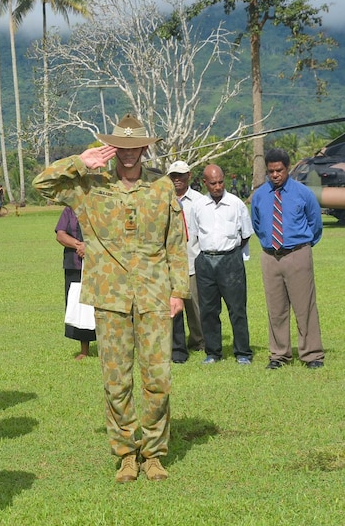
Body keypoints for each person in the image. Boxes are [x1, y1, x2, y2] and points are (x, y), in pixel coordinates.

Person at [32, 114, 188, 483]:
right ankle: (126, 455)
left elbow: (176, 243)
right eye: (122, 147)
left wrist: (179, 291)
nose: (129, 154)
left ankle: (153, 453)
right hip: (110, 297)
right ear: (112, 148)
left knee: (158, 380)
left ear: (145, 148)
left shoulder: (162, 187)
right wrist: (79, 162)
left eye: (136, 148)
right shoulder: (88, 186)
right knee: (117, 382)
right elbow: (42, 184)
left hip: (153, 295)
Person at [250, 148, 324, 370]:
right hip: (270, 257)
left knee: (305, 307)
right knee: (276, 308)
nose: (275, 175)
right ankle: (279, 355)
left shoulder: (302, 193)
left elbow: (315, 223)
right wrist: (270, 244)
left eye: (279, 170)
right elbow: (257, 224)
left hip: (297, 254)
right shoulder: (260, 195)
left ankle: (312, 355)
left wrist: (302, 246)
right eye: (271, 171)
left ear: (287, 169)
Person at [187, 164, 254, 365]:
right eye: (213, 183)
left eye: (221, 182)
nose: (218, 186)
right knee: (208, 310)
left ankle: (242, 352)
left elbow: (245, 235)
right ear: (205, 183)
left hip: (230, 260)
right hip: (206, 261)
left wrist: (229, 252)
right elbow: (195, 234)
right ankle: (213, 352)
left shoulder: (236, 204)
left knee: (237, 309)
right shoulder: (198, 206)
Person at [166, 160, 205, 363]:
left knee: (196, 306)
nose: (177, 179)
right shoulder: (163, 199)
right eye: (173, 176)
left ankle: (199, 340)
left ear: (189, 176)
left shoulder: (199, 201)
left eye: (181, 175)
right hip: (170, 264)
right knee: (174, 307)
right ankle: (175, 344)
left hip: (193, 259)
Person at [54, 207, 96, 359]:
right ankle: (84, 349)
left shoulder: (101, 205)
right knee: (79, 306)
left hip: (101, 265)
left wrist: (89, 246)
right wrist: (79, 245)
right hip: (75, 264)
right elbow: (60, 234)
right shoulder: (69, 210)